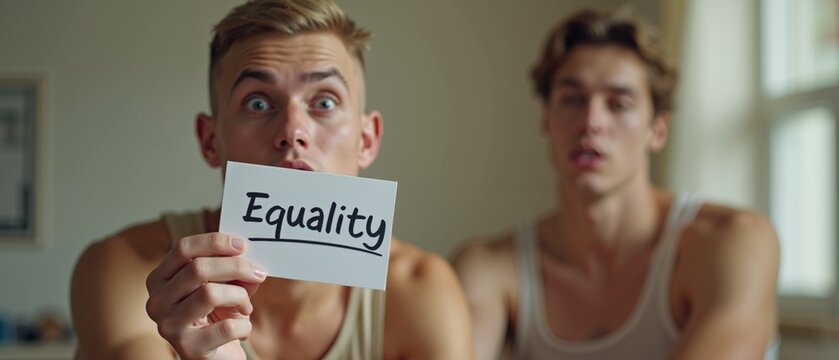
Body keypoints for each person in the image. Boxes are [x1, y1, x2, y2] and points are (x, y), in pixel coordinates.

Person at [70, 1, 472, 359]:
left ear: (367, 140)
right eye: (258, 102)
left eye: (325, 102)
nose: (292, 131)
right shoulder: (127, 270)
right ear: (211, 141)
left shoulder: (420, 291)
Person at [453, 8, 780, 360]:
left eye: (619, 104)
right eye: (573, 99)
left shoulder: (730, 242)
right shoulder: (490, 268)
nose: (591, 122)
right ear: (546, 119)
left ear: (657, 130)